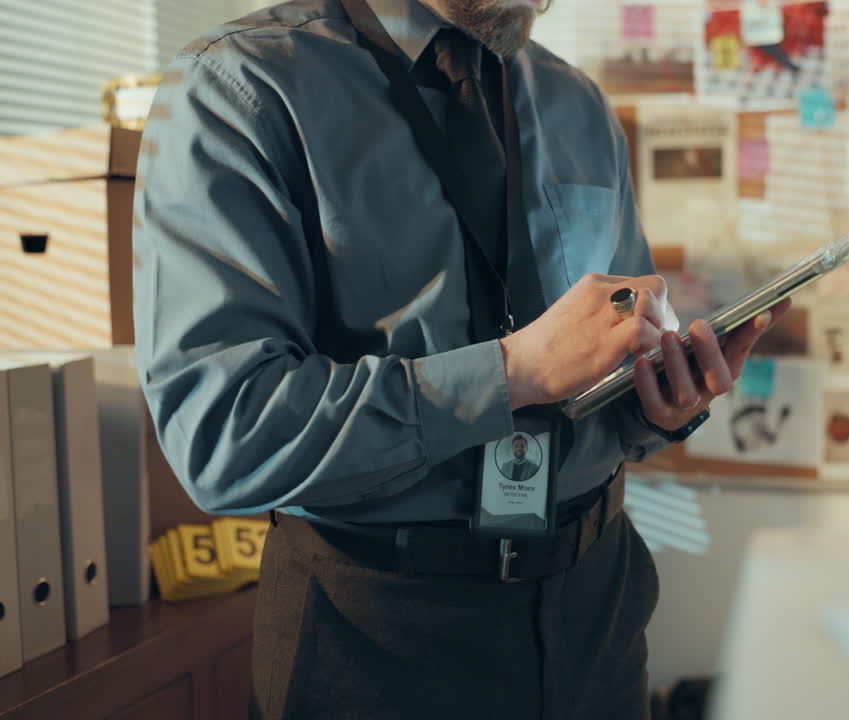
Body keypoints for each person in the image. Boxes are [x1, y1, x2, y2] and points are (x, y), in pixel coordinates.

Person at [131, 0, 790, 718]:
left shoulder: (576, 102)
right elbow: (223, 437)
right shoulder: (240, 86)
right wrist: (511, 373)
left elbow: (603, 371)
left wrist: (661, 405)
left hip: (599, 611)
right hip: (378, 636)